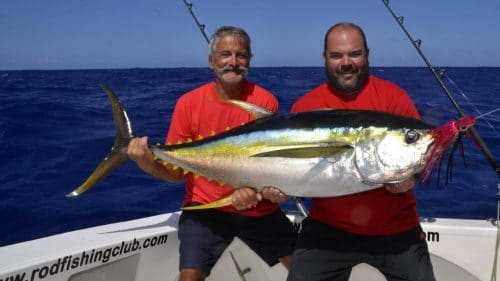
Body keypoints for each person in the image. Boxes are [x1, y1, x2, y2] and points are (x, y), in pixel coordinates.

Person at [127, 26, 296, 281]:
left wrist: (256, 193)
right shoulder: (188, 103)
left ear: (249, 60)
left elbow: (268, 166)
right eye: (225, 54)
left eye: (241, 55)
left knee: (306, 271)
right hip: (205, 211)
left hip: (258, 211)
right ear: (211, 61)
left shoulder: (264, 102)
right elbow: (175, 175)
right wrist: (146, 163)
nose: (233, 62)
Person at [286, 22, 436, 281]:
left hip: (395, 228)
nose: (346, 62)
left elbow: (420, 157)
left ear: (367, 54)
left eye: (354, 54)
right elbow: (293, 169)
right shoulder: (306, 107)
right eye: (336, 55)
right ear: (325, 58)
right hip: (327, 228)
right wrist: (272, 189)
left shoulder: (394, 99)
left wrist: (409, 179)